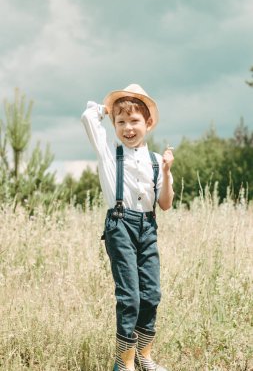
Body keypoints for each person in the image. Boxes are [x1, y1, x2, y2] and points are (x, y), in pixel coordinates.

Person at [81, 84, 174, 371]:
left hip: (148, 227)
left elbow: (166, 203)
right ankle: (125, 362)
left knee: (151, 293)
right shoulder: (109, 154)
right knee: (130, 297)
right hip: (119, 225)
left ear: (148, 123)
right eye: (121, 122)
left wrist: (168, 172)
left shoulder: (157, 161)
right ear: (114, 125)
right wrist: (106, 108)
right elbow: (88, 118)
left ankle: (145, 355)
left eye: (134, 121)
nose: (128, 128)